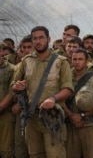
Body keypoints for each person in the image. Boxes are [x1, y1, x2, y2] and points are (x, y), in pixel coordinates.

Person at [12, 26, 74, 158]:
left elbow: (68, 89)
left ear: (48, 39)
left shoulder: (61, 62)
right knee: (35, 154)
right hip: (31, 118)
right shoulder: (26, 61)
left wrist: (53, 99)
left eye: (41, 37)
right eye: (35, 38)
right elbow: (14, 85)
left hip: (52, 118)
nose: (38, 41)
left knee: (55, 155)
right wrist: (17, 87)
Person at [64, 48, 93, 158]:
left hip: (90, 126)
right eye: (74, 59)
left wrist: (82, 115)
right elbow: (60, 100)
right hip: (70, 126)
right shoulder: (65, 78)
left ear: (87, 61)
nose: (77, 62)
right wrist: (72, 116)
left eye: (80, 59)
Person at [11, 35, 34, 158]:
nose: (26, 50)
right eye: (23, 47)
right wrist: (17, 87)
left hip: (38, 111)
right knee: (20, 145)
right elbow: (13, 86)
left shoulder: (44, 64)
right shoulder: (21, 65)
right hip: (22, 111)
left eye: (29, 47)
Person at [0, 42, 16, 158]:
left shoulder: (12, 69)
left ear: (1, 51)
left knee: (6, 150)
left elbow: (12, 91)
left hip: (5, 113)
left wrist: (1, 106)